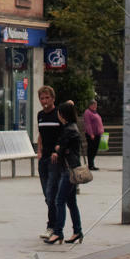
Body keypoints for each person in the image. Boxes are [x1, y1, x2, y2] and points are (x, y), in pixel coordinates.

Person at [43, 100, 85, 245]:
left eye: (60, 114)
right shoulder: (74, 127)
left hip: (68, 170)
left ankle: (58, 232)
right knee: (71, 202)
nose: (58, 116)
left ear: (63, 115)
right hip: (73, 168)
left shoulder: (68, 130)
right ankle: (77, 231)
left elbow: (62, 149)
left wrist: (57, 150)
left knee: (59, 200)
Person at [35, 86, 61, 239]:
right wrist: (39, 151)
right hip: (43, 159)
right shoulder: (40, 115)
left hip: (54, 159)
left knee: (52, 193)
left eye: (47, 98)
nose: (44, 101)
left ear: (53, 98)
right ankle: (56, 222)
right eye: (42, 98)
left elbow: (64, 134)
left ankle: (52, 226)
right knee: (47, 194)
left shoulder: (58, 114)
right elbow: (41, 135)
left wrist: (58, 150)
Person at [82, 98, 105, 170]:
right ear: (90, 105)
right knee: (91, 149)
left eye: (96, 105)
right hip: (92, 135)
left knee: (95, 149)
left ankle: (92, 163)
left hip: (97, 134)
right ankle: (90, 164)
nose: (96, 106)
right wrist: (91, 134)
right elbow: (88, 124)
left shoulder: (95, 112)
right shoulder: (87, 112)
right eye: (94, 105)